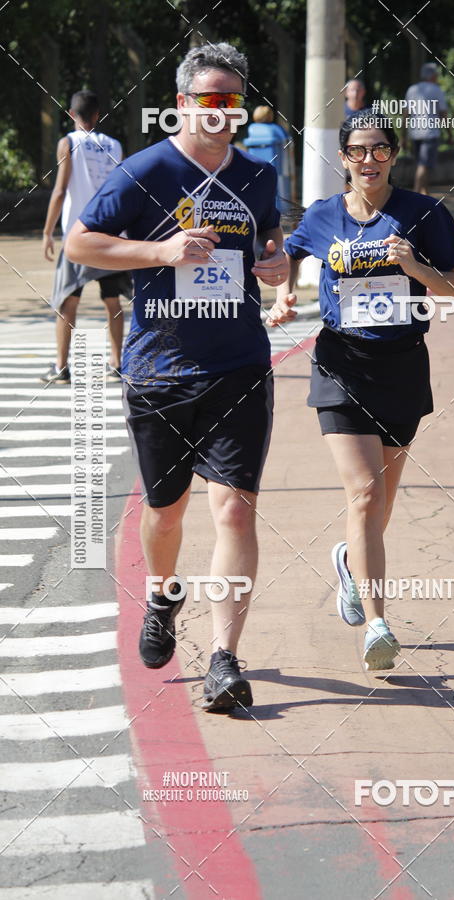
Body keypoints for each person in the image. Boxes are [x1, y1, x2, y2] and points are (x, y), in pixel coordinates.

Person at [66, 44, 288, 711]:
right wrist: (159, 250)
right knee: (165, 513)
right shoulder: (145, 171)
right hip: (160, 369)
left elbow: (270, 246)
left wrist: (277, 271)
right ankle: (163, 594)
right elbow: (82, 242)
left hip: (239, 365)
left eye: (233, 101)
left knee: (234, 507)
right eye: (210, 100)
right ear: (184, 104)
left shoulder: (257, 177)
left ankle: (225, 658)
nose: (223, 112)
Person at [268, 113, 454, 671]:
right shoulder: (324, 214)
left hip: (402, 368)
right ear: (344, 158)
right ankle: (378, 623)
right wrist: (282, 295)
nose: (370, 159)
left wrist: (414, 264)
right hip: (341, 364)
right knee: (365, 496)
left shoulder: (423, 212)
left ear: (394, 154)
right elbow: (290, 258)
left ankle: (350, 560)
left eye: (380, 149)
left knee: (381, 503)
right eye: (359, 150)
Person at [42, 90, 131, 383]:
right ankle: (116, 362)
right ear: (97, 115)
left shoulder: (67, 143)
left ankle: (60, 366)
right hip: (109, 234)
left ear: (71, 115)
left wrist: (47, 232)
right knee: (112, 300)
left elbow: (59, 190)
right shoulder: (115, 146)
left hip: (77, 234)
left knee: (68, 300)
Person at [405, 62, 451, 195]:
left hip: (414, 133)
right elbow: (443, 114)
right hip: (429, 133)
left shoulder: (412, 89)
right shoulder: (436, 90)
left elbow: (405, 114)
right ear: (433, 76)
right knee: (424, 166)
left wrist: (403, 136)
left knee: (421, 166)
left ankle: (425, 197)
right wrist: (449, 134)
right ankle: (415, 195)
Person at [243, 105, 292, 211]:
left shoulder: (252, 129)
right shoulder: (277, 129)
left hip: (254, 170)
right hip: (279, 170)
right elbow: (288, 144)